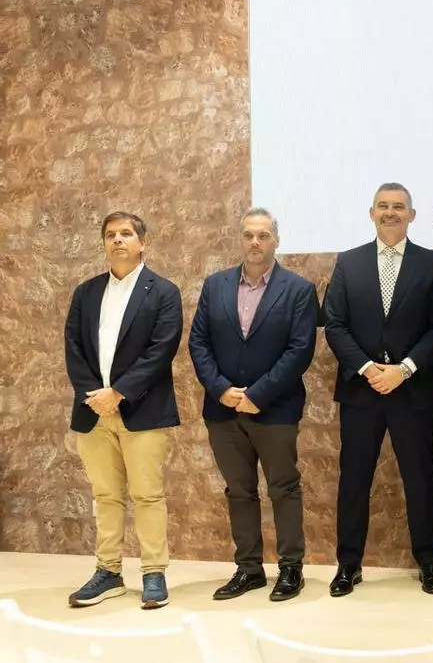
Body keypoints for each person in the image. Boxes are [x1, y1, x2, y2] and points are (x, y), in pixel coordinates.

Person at [322, 183, 433, 597]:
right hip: (361, 391)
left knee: (420, 478)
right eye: (383, 206)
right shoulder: (348, 262)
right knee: (354, 480)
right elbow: (334, 324)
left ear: (412, 215)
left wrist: (404, 369)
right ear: (371, 213)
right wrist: (366, 368)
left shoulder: (432, 264)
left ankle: (428, 562)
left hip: (412, 390)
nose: (390, 212)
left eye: (398, 207)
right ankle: (348, 565)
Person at [188, 208, 318, 602]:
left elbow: (299, 350)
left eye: (263, 235)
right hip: (223, 410)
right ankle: (249, 569)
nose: (255, 242)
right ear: (240, 239)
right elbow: (198, 342)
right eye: (248, 235)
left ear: (276, 240)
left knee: (283, 487)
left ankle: (291, 568)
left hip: (275, 409)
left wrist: (257, 395)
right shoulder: (215, 285)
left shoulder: (298, 289)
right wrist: (221, 390)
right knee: (239, 491)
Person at [64, 211, 183, 609]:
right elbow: (73, 348)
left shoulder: (163, 292)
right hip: (93, 412)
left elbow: (161, 351)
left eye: (126, 233)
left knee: (147, 495)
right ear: (104, 244)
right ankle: (108, 572)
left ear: (142, 242)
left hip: (142, 411)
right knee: (105, 496)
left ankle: (154, 573)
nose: (118, 240)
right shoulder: (86, 293)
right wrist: (95, 396)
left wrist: (118, 393)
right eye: (111, 234)